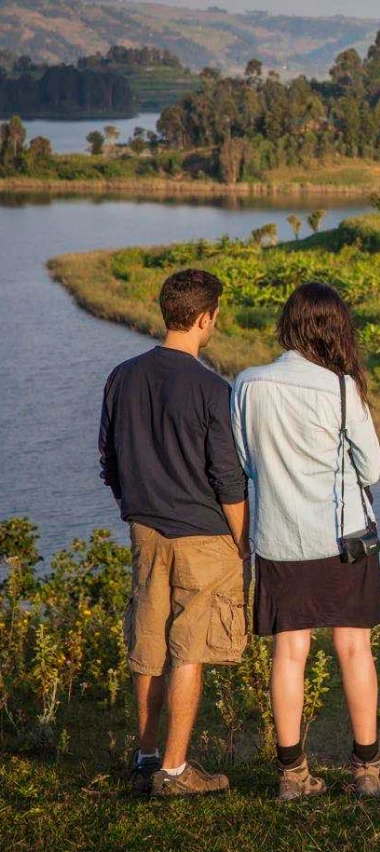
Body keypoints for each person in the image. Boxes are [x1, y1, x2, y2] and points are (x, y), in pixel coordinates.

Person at [231, 283, 380, 802]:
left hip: (278, 539)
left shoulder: (248, 384)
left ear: (288, 325)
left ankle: (292, 774)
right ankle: (366, 771)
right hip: (342, 542)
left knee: (289, 654)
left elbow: (245, 462)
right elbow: (374, 468)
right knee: (353, 648)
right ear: (336, 329)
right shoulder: (342, 389)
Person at [99, 269, 249, 798]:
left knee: (148, 643)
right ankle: (176, 769)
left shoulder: (122, 376)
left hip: (145, 530)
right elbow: (228, 478)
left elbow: (110, 462)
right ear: (205, 318)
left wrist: (135, 511)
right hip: (204, 536)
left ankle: (144, 758)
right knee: (189, 649)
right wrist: (242, 541)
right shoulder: (212, 387)